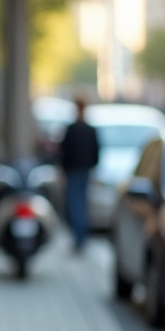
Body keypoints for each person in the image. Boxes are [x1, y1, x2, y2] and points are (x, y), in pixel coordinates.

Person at [60, 96, 99, 252]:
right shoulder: (89, 129)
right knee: (81, 203)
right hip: (84, 170)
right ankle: (81, 235)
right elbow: (97, 152)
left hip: (74, 171)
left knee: (76, 204)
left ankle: (79, 237)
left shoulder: (72, 129)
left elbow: (64, 152)